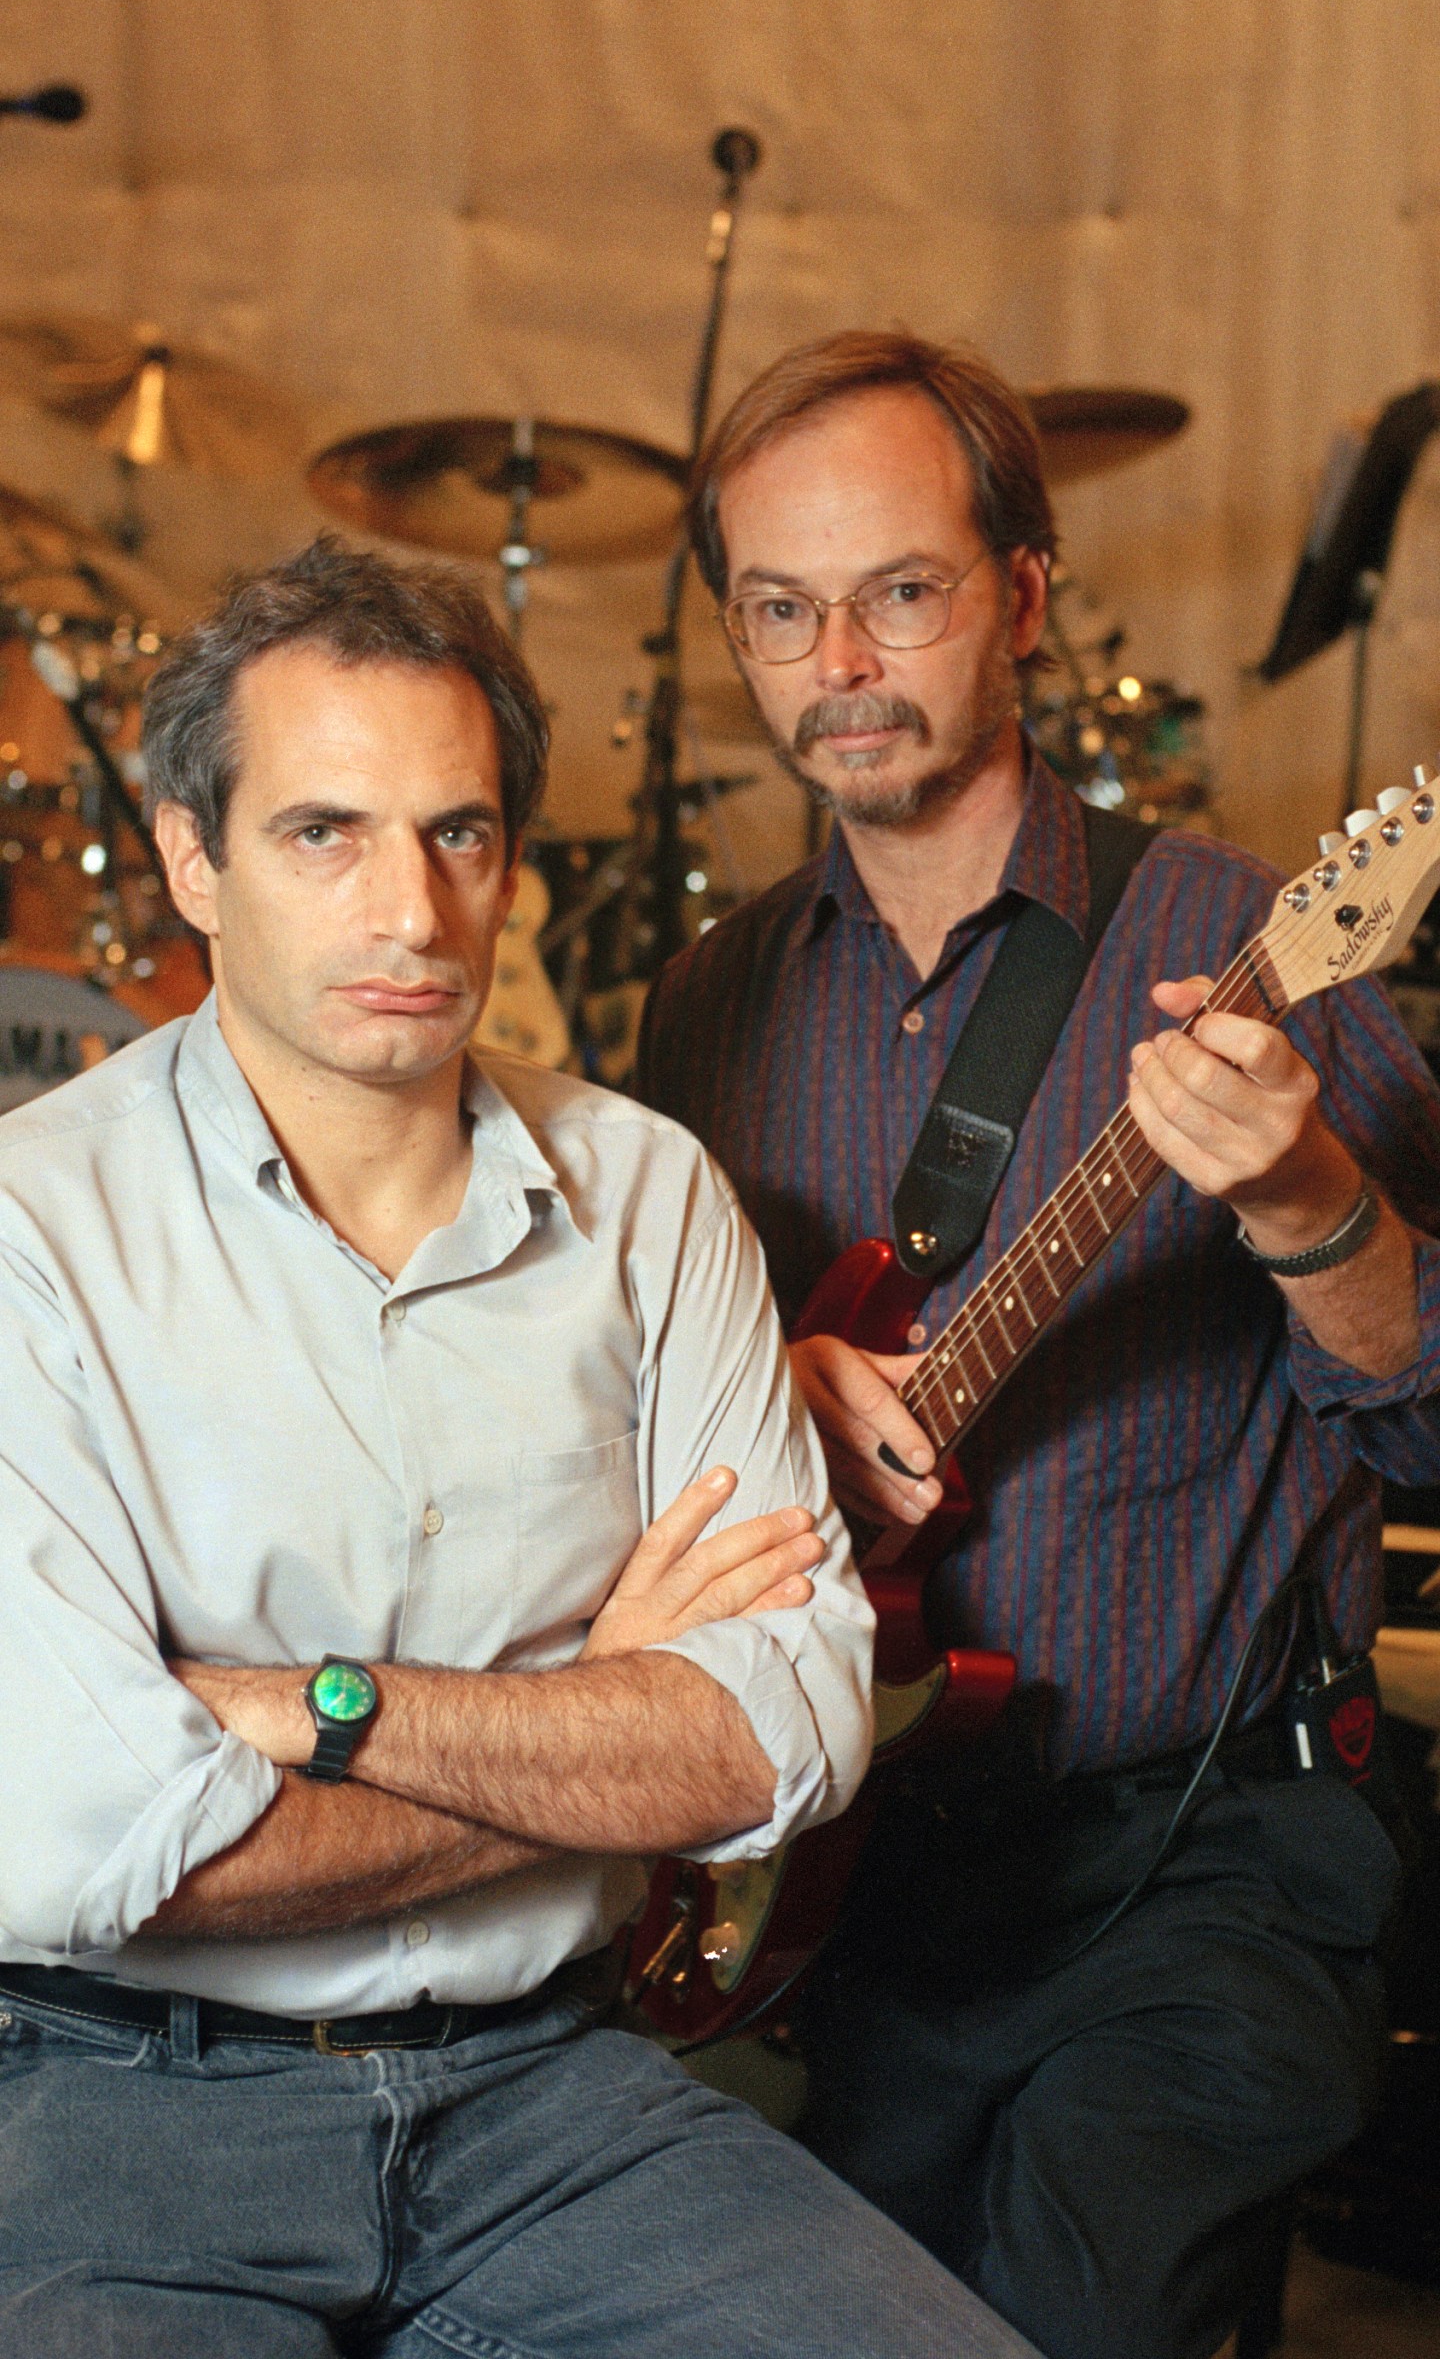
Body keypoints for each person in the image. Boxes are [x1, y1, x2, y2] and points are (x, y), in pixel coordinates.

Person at [0, 536, 1040, 2359]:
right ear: (191, 859)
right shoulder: (34, 1234)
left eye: (460, 834)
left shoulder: (649, 1197)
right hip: (113, 2109)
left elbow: (780, 1740)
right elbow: (91, 1857)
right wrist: (599, 1713)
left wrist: (308, 1709)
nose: (412, 909)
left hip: (546, 2098)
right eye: (325, 831)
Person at [635, 331, 1440, 2359]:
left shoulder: (1258, 951)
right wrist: (761, 1392)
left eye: (898, 591)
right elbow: (636, 1437)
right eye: (780, 607)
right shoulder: (709, 1005)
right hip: (869, 1868)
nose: (840, 661)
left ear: (1022, 594)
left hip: (1209, 1860)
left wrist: (1306, 1203)